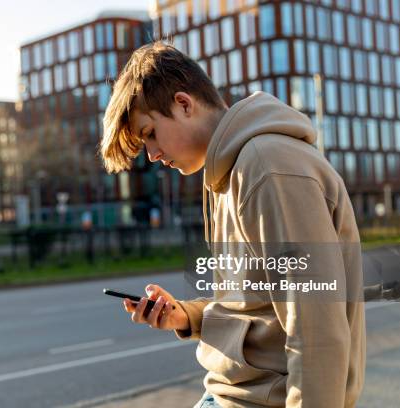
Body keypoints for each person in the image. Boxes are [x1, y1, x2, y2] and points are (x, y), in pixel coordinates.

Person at [99, 41, 365, 408]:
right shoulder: (232, 171)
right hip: (234, 395)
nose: (153, 155)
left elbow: (316, 324)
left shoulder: (268, 167)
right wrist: (186, 316)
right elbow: (257, 306)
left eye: (150, 134)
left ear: (183, 104)